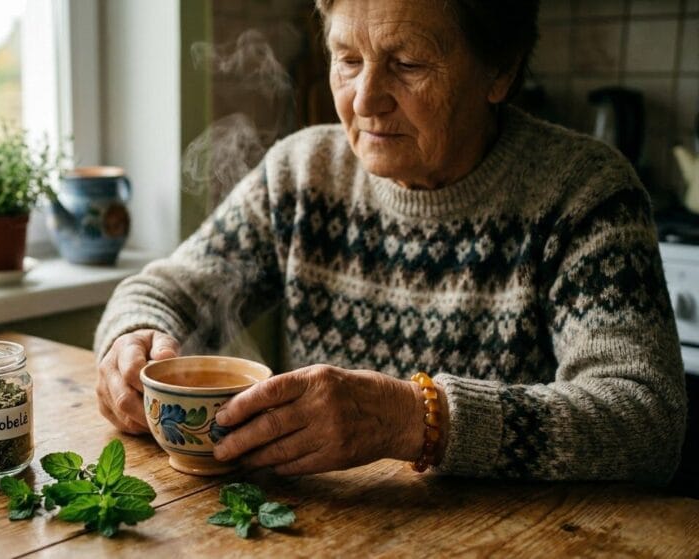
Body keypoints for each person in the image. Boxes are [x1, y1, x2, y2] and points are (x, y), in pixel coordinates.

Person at [93, 0, 687, 482]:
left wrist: (417, 420)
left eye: (407, 64)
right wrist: (130, 343)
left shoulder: (584, 193)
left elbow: (643, 418)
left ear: (499, 70)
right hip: (324, 537)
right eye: (347, 59)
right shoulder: (302, 173)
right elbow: (164, 290)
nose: (366, 100)